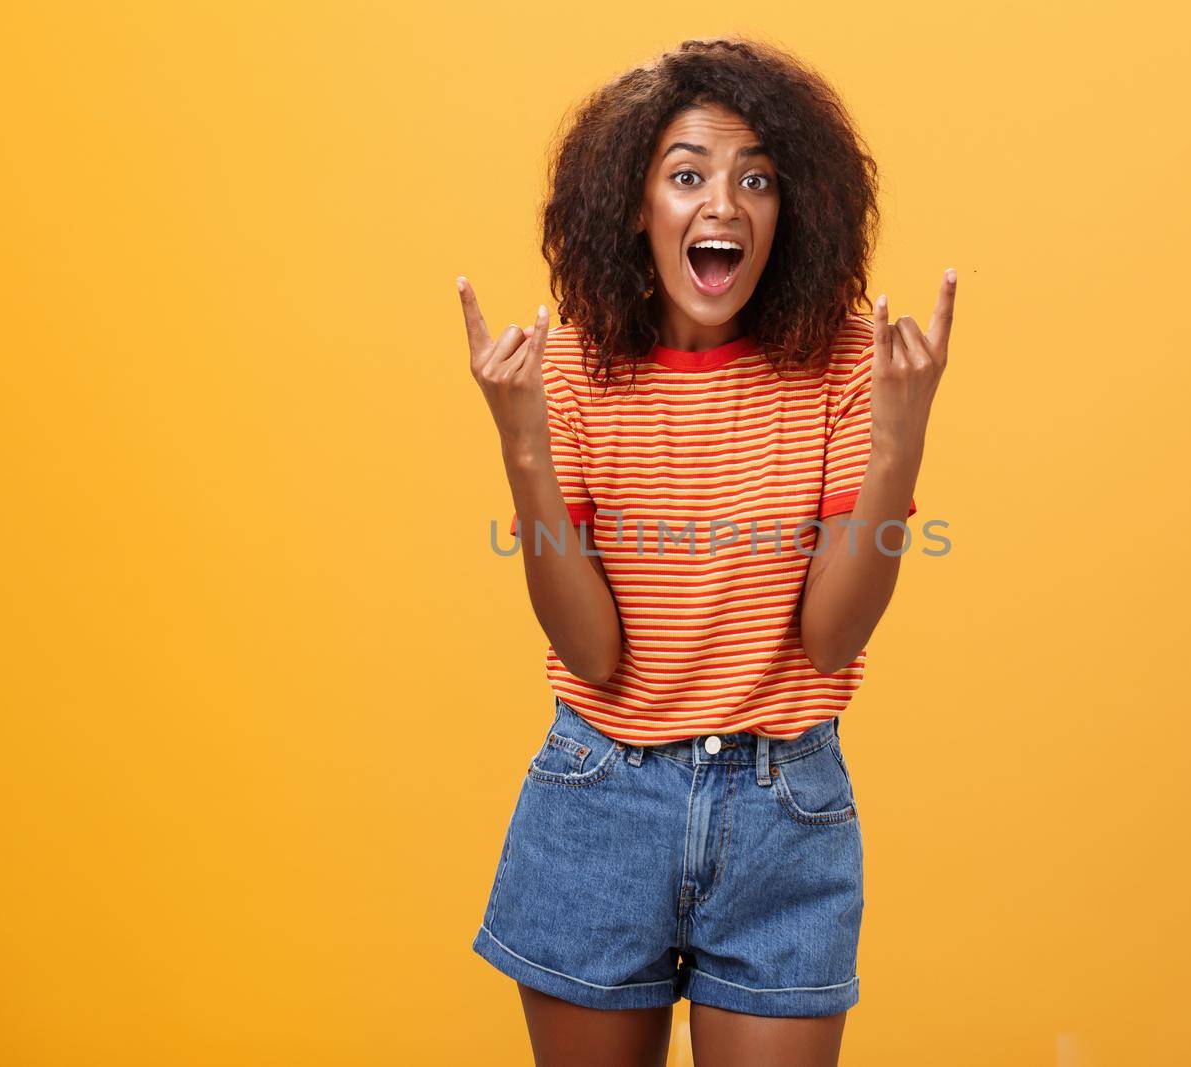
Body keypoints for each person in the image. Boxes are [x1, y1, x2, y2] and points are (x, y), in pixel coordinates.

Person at [458, 36, 954, 1067]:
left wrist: (900, 441)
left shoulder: (848, 367)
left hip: (785, 811)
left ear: (792, 211)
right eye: (688, 175)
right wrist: (520, 443)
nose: (723, 203)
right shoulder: (567, 371)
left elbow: (831, 636)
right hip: (598, 798)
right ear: (637, 206)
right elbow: (592, 653)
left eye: (756, 178)